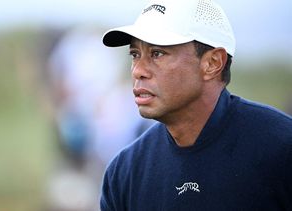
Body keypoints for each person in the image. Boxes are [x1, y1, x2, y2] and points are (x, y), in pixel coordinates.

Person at [99, 0, 292, 210]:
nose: (138, 70)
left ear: (212, 63)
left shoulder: (281, 149)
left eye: (157, 53)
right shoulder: (124, 173)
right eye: (135, 55)